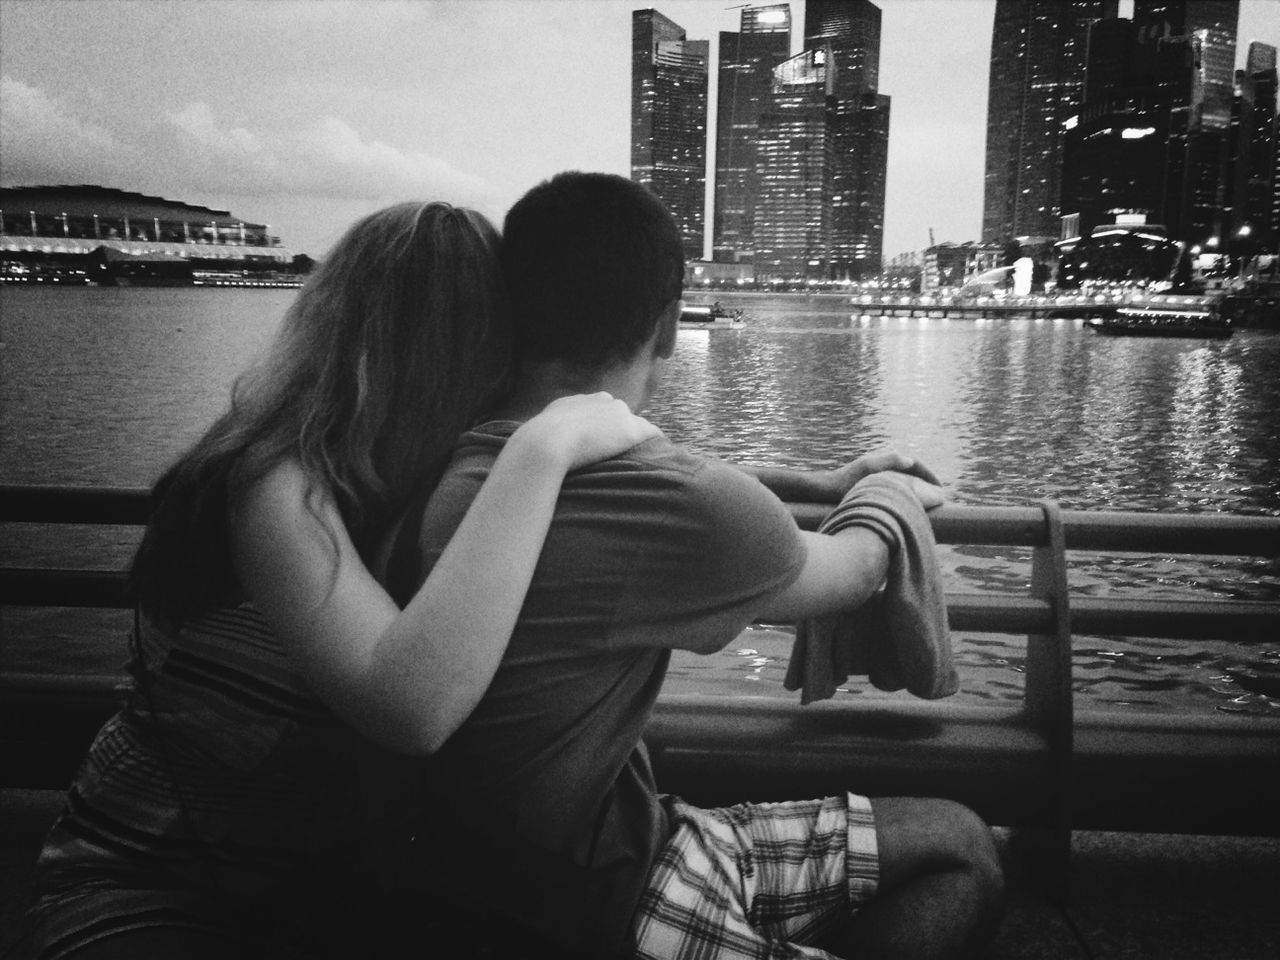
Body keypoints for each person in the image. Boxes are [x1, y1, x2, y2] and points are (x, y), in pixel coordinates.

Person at [380, 173, 1004, 959]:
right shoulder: (684, 509)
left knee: (957, 839)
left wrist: (815, 485)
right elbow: (849, 571)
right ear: (669, 324)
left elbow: (667, 484)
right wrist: (887, 492)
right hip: (589, 908)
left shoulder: (459, 446)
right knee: (968, 862)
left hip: (542, 861)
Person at [15, 201, 662, 960]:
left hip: (315, 897)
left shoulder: (429, 483)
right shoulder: (272, 481)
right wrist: (545, 449)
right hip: (148, 883)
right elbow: (413, 709)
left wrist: (810, 483)